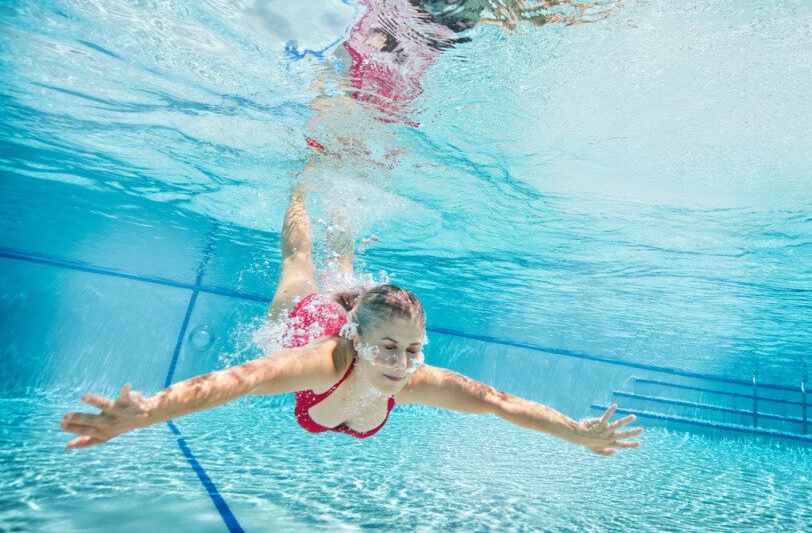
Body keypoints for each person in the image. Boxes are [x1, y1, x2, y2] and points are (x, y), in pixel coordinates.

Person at [59, 190, 643, 456]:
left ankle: (344, 206)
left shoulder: (415, 377)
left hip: (350, 322)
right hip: (309, 321)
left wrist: (576, 432)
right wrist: (146, 414)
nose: (401, 366)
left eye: (413, 350)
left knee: (347, 270)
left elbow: (498, 402)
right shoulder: (324, 359)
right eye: (389, 348)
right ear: (357, 340)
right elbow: (238, 381)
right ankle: (302, 187)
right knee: (301, 269)